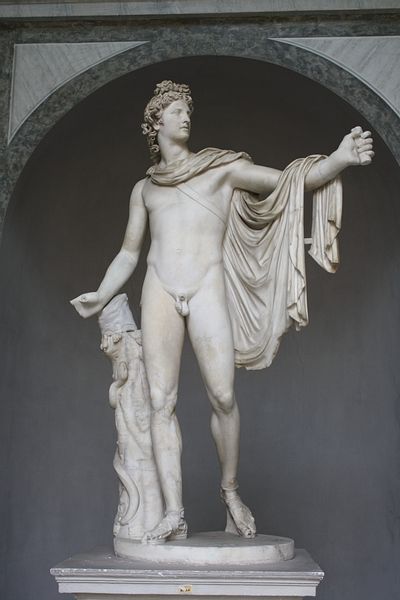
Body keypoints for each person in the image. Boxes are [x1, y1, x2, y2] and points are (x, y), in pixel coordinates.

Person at [71, 80, 374, 544]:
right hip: (159, 287)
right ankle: (174, 513)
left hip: (206, 285)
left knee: (223, 397)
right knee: (160, 402)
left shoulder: (221, 169)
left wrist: (337, 160)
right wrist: (101, 292)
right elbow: (130, 253)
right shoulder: (145, 190)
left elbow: (289, 182)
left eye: (187, 109)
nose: (185, 116)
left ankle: (230, 493)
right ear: (155, 122)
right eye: (175, 110)